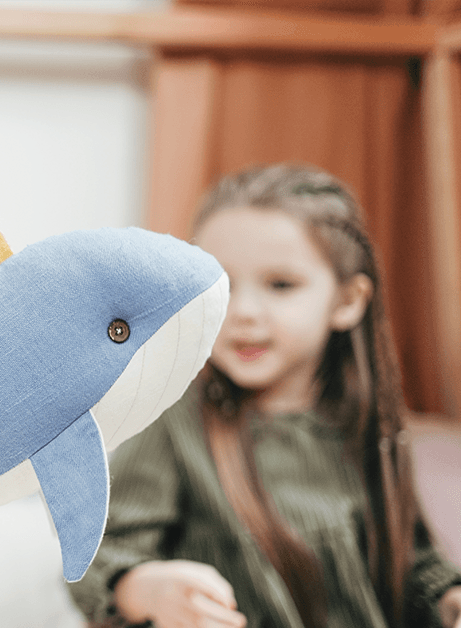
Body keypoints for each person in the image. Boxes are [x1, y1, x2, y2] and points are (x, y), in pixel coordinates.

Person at [71, 163, 461, 628]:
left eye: (281, 285)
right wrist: (146, 589)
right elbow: (97, 555)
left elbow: (413, 565)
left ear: (347, 301)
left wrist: (448, 600)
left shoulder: (366, 425)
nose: (243, 312)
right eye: (221, 284)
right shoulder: (174, 421)